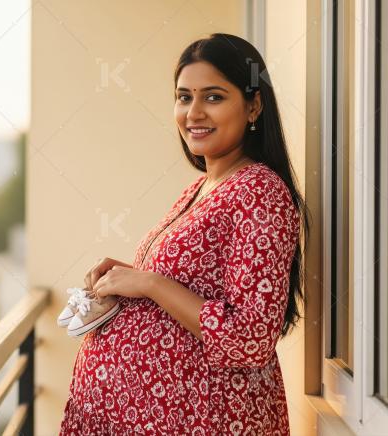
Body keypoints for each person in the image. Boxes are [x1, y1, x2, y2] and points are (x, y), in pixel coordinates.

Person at [59, 33, 310, 435]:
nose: (194, 113)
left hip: (203, 420)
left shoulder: (258, 190)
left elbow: (250, 337)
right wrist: (126, 279)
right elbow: (196, 290)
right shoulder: (201, 187)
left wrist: (150, 282)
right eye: (183, 97)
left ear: (253, 105)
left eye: (213, 97)